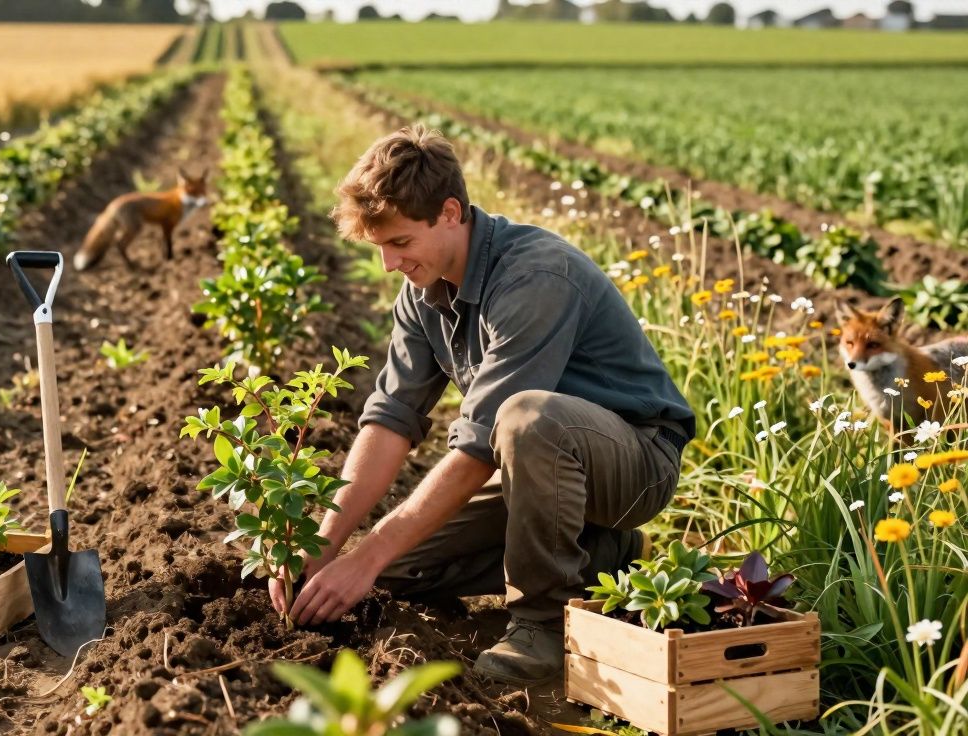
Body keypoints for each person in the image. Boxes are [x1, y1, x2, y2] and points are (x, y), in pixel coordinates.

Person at [268, 124, 695, 685]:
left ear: (449, 212)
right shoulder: (424, 293)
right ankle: (601, 558)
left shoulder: (535, 277)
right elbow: (392, 417)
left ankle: (543, 624)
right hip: (542, 467)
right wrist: (325, 544)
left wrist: (365, 554)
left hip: (633, 461)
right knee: (388, 570)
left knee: (526, 419)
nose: (389, 265)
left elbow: (481, 442)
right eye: (379, 248)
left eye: (400, 243)